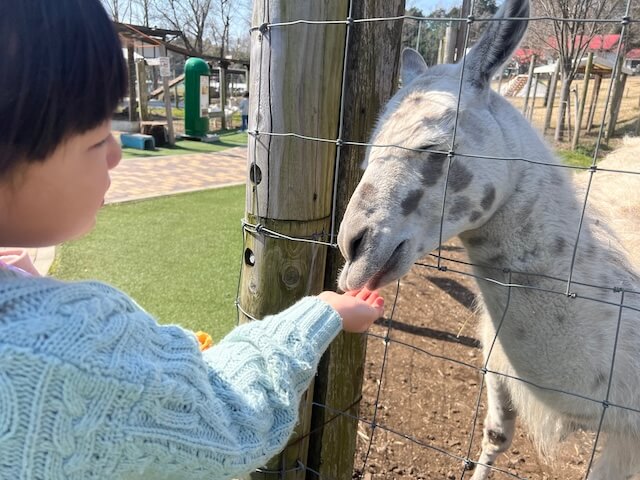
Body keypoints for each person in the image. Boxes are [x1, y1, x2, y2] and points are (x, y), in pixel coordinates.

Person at [0, 1, 384, 479]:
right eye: (97, 138)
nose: (117, 153)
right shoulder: (69, 347)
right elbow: (228, 415)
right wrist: (321, 311)